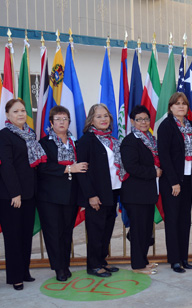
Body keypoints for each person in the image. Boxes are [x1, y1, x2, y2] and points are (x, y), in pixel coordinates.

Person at [0, 98, 46, 290]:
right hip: (11, 196)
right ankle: (15, 277)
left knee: (25, 235)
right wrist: (14, 193)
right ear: (8, 115)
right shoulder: (3, 136)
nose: (21, 114)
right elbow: (6, 167)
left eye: (23, 110)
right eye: (16, 111)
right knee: (13, 237)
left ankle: (24, 271)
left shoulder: (30, 134)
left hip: (29, 194)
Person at [37, 106, 88, 281]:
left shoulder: (75, 142)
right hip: (49, 196)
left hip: (71, 195)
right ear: (51, 123)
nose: (62, 122)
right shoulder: (44, 143)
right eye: (58, 119)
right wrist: (68, 168)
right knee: (53, 233)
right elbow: (42, 167)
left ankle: (65, 264)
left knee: (67, 232)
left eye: (65, 119)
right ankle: (58, 267)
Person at [77, 104, 127, 277]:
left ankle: (101, 261)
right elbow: (83, 172)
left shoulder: (112, 140)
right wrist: (91, 195)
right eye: (99, 116)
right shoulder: (86, 141)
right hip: (97, 194)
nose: (103, 119)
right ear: (91, 119)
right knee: (96, 230)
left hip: (113, 191)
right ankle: (93, 265)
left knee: (106, 229)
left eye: (106, 116)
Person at [157, 92, 192, 273]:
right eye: (177, 103)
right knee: (172, 220)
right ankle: (174, 260)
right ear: (170, 107)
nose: (181, 106)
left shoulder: (190, 125)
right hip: (173, 182)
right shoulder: (166, 126)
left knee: (185, 220)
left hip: (188, 179)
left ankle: (184, 258)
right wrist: (173, 181)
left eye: (184, 104)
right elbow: (164, 156)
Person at [120, 105, 160, 275]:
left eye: (145, 119)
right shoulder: (130, 141)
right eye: (139, 119)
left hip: (148, 193)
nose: (143, 122)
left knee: (145, 229)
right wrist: (153, 172)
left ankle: (143, 260)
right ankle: (137, 265)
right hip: (135, 193)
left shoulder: (150, 138)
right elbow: (131, 166)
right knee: (137, 230)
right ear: (132, 121)